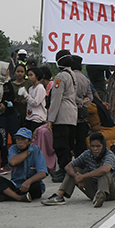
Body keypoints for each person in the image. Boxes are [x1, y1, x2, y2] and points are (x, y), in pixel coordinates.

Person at [41, 132, 115, 208]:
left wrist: (83, 176)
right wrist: (77, 177)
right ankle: (59, 196)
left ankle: (101, 196)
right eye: (93, 146)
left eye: (98, 146)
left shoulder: (109, 155)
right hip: (94, 189)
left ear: (103, 146)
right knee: (75, 169)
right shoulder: (87, 154)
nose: (95, 149)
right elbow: (68, 166)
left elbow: (104, 170)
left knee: (103, 173)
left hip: (111, 191)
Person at [0, 128, 48, 202]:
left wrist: (28, 181)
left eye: (23, 139)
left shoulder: (36, 150)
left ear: (29, 141)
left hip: (30, 185)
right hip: (15, 184)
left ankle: (8, 195)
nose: (20, 142)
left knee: (37, 186)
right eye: (18, 139)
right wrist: (28, 152)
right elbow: (12, 162)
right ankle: (19, 197)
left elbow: (43, 173)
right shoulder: (13, 148)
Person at [46, 50, 78, 183]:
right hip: (72, 115)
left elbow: (56, 99)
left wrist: (50, 119)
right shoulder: (72, 74)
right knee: (67, 145)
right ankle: (66, 169)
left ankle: (64, 170)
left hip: (62, 115)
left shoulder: (60, 76)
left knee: (60, 145)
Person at [71, 55, 94, 157]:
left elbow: (69, 94)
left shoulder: (69, 77)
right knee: (81, 140)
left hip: (70, 112)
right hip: (83, 113)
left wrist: (78, 102)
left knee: (70, 139)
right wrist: (83, 102)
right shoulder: (85, 78)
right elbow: (90, 97)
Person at [22, 67, 47, 132]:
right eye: (28, 75)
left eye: (31, 75)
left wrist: (25, 94)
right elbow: (31, 100)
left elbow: (36, 103)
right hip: (29, 117)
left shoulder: (40, 87)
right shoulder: (31, 88)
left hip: (37, 118)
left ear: (37, 76)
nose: (29, 77)